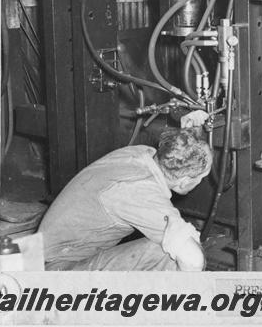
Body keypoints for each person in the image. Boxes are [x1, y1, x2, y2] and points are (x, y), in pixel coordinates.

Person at [39, 110, 212, 271]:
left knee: (173, 242)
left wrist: (191, 134)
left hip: (50, 256)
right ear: (183, 182)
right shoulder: (140, 192)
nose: (201, 181)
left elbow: (179, 153)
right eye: (201, 178)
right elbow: (193, 261)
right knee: (167, 255)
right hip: (55, 272)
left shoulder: (142, 154)